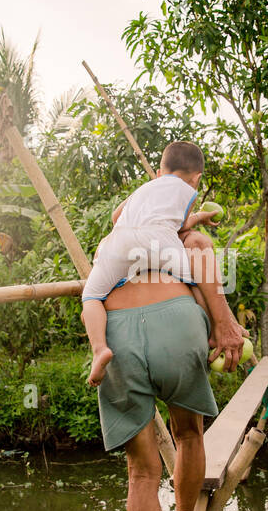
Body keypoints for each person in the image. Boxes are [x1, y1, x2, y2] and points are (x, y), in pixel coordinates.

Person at [96, 223, 246, 511]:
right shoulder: (186, 235)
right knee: (188, 434)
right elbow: (202, 258)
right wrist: (224, 324)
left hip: (117, 331)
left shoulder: (114, 240)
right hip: (176, 323)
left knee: (141, 472)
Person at [80, 141, 219, 387]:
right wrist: (199, 217)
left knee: (91, 296)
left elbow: (116, 217)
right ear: (196, 178)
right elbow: (182, 225)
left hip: (120, 243)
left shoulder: (146, 187)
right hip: (161, 242)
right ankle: (210, 333)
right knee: (196, 282)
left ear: (159, 172)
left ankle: (99, 349)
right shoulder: (187, 190)